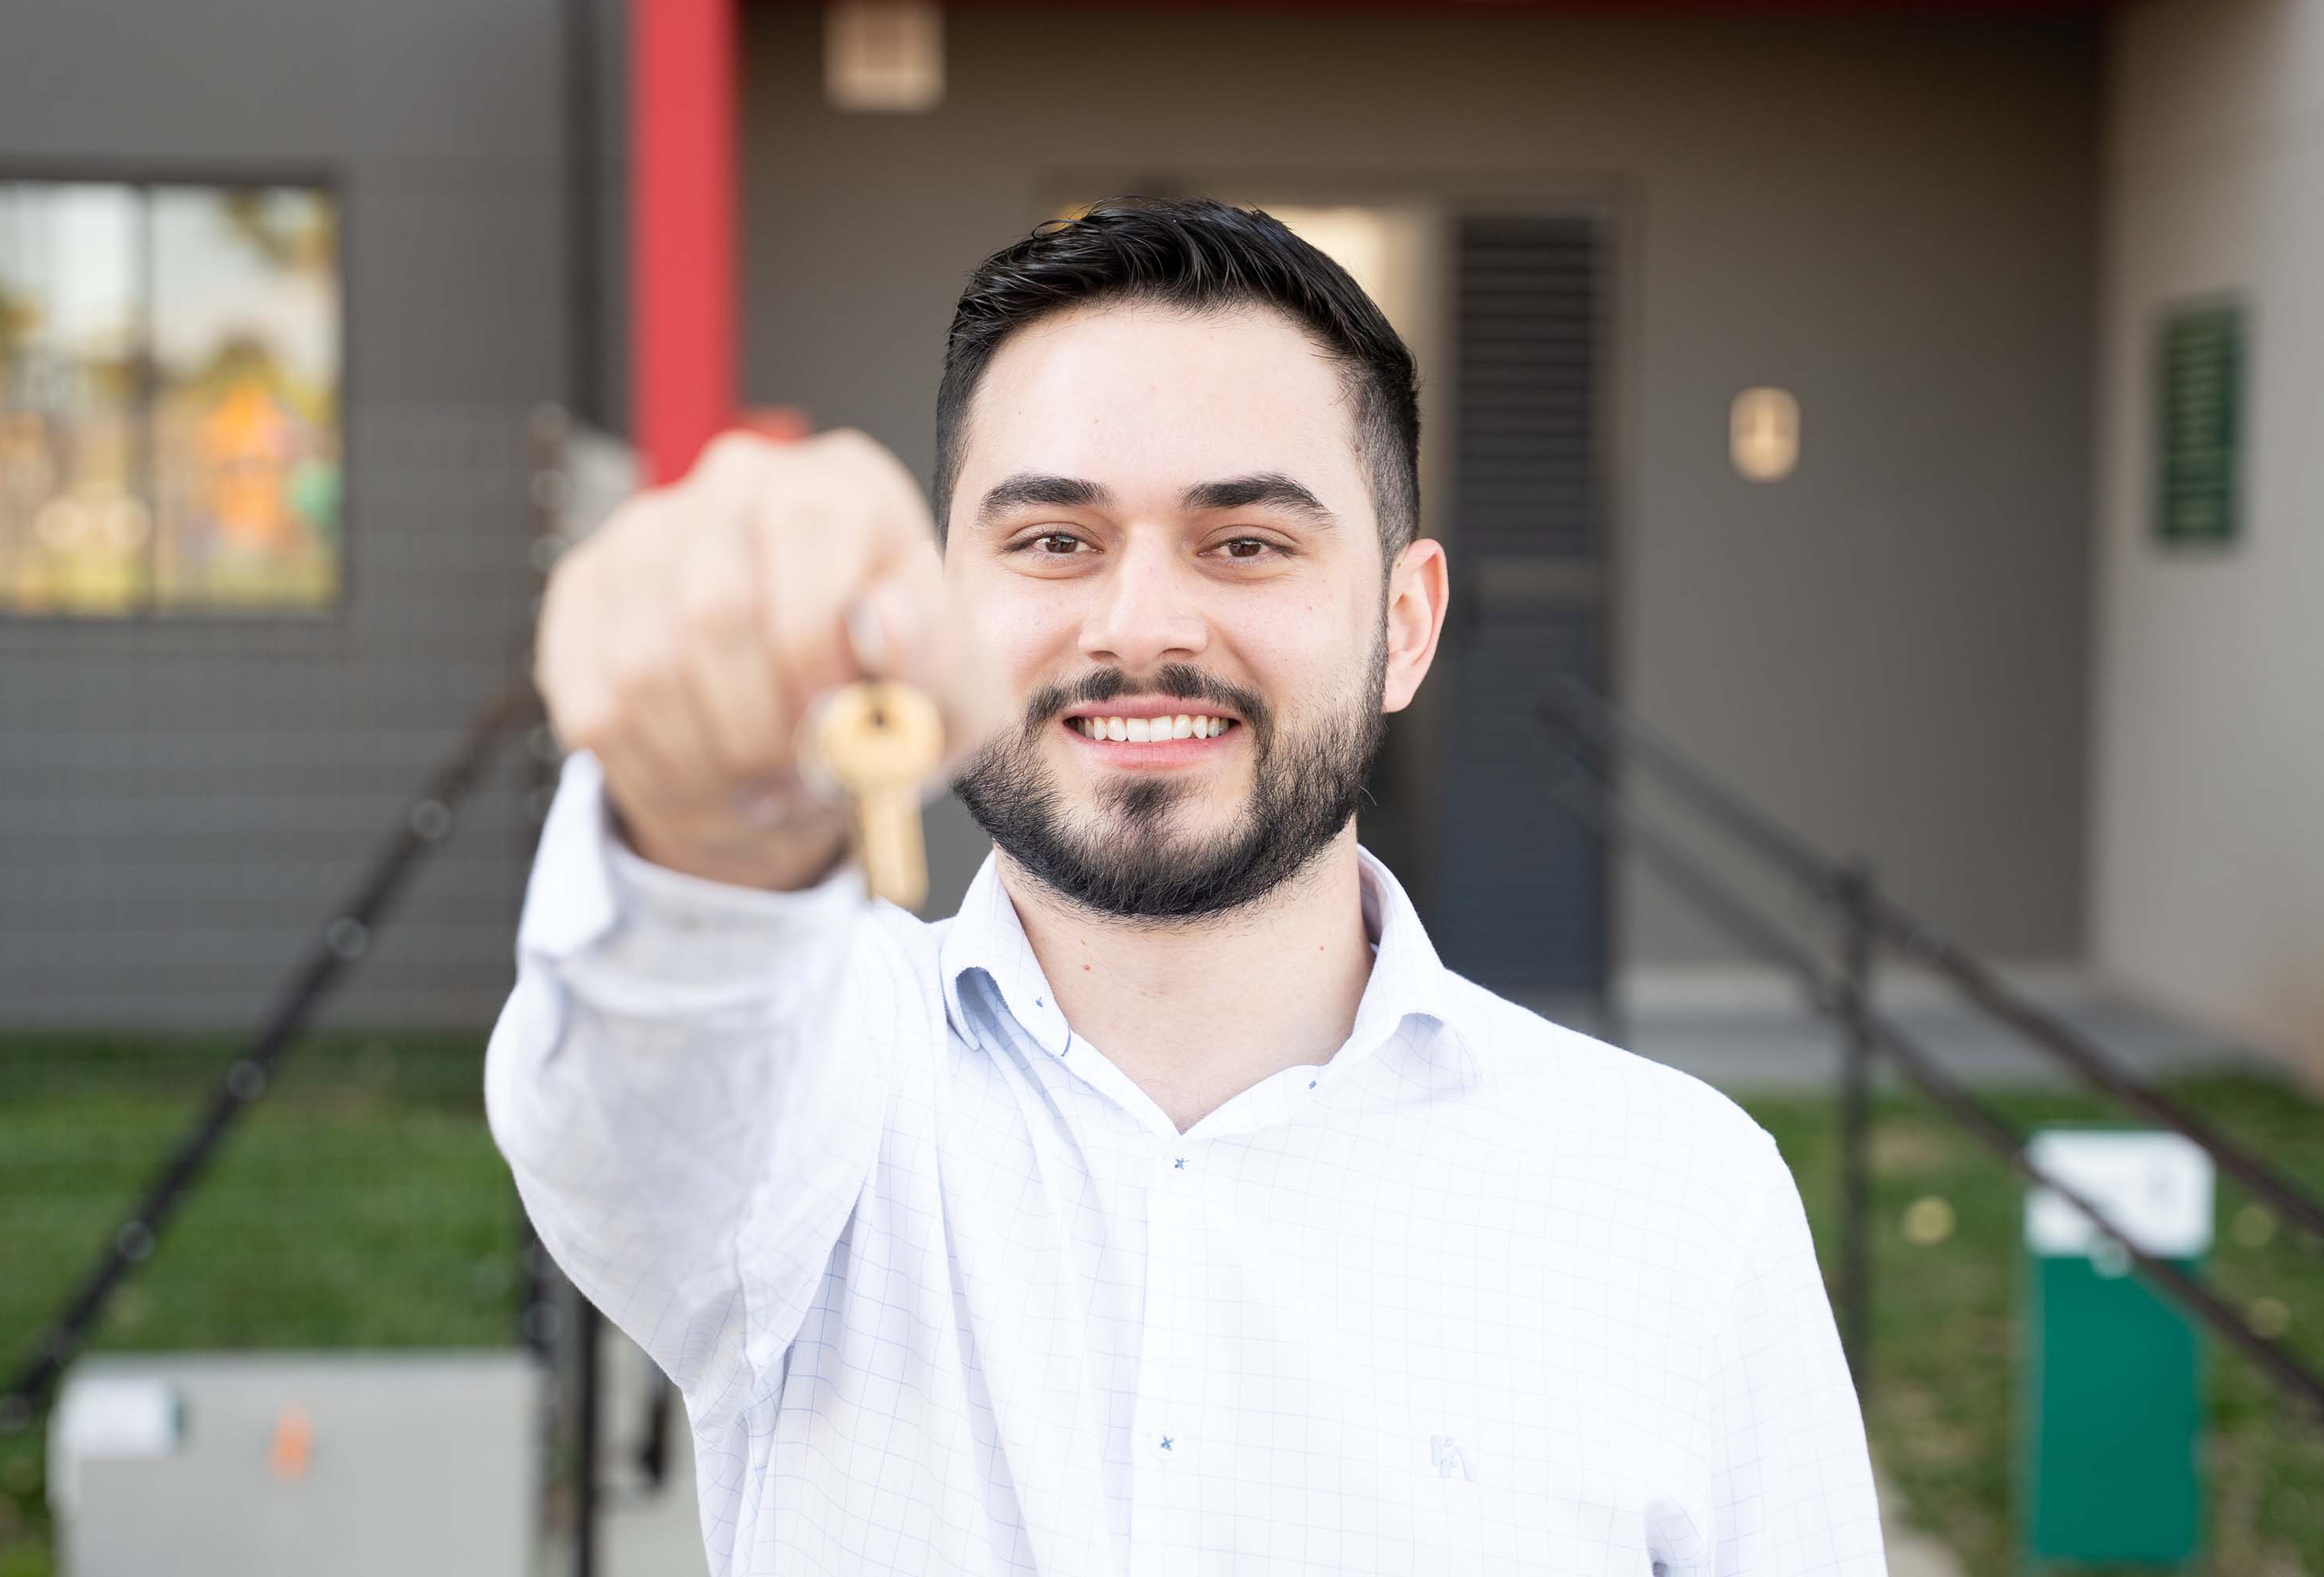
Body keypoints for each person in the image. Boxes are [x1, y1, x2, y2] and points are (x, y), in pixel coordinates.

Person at [486, 197, 1887, 1576]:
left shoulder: (1683, 1202)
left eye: (1247, 543)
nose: (1142, 627)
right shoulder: (821, 1090)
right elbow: (634, 1100)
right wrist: (703, 811)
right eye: (1054, 541)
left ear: (1403, 626)